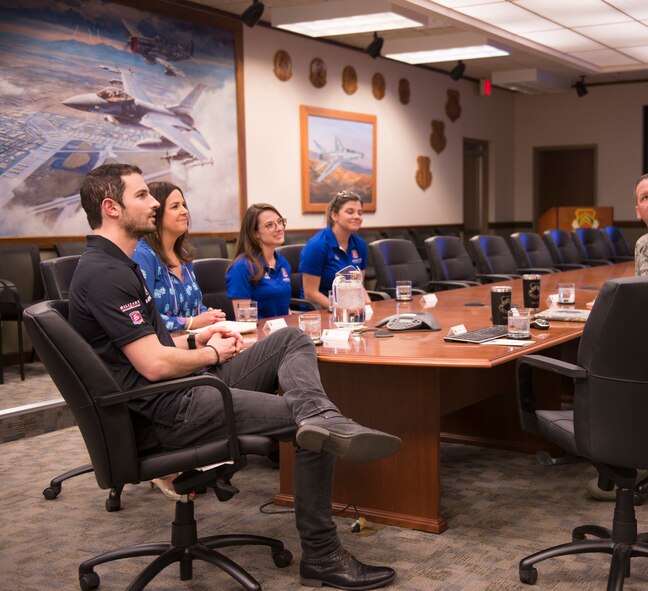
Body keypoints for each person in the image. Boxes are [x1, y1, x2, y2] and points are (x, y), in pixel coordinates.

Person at [69, 163, 401, 589]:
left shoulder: (121, 263)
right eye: (142, 196)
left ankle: (323, 415)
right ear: (111, 208)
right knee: (310, 426)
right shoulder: (106, 273)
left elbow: (146, 349)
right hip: (171, 408)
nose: (153, 202)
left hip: (181, 388)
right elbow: (152, 364)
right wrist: (210, 351)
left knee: (292, 340)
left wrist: (197, 339)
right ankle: (322, 555)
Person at [131, 182, 226, 333]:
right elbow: (144, 316)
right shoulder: (142, 255)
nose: (185, 211)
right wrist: (191, 322)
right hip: (164, 349)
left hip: (194, 342)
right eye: (175, 206)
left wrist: (209, 315)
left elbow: (194, 305)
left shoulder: (183, 255)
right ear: (156, 213)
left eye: (183, 205)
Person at [299, 191, 370, 310]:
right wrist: (342, 310)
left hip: (350, 311)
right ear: (334, 216)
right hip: (319, 312)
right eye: (350, 212)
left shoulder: (360, 244)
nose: (357, 216)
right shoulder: (317, 245)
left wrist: (369, 307)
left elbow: (359, 286)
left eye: (360, 212)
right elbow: (310, 293)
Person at [225, 203, 294, 319]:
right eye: (269, 225)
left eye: (280, 221)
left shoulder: (283, 263)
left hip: (283, 332)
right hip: (260, 334)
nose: (280, 228)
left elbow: (284, 309)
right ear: (255, 233)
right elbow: (245, 320)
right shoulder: (241, 266)